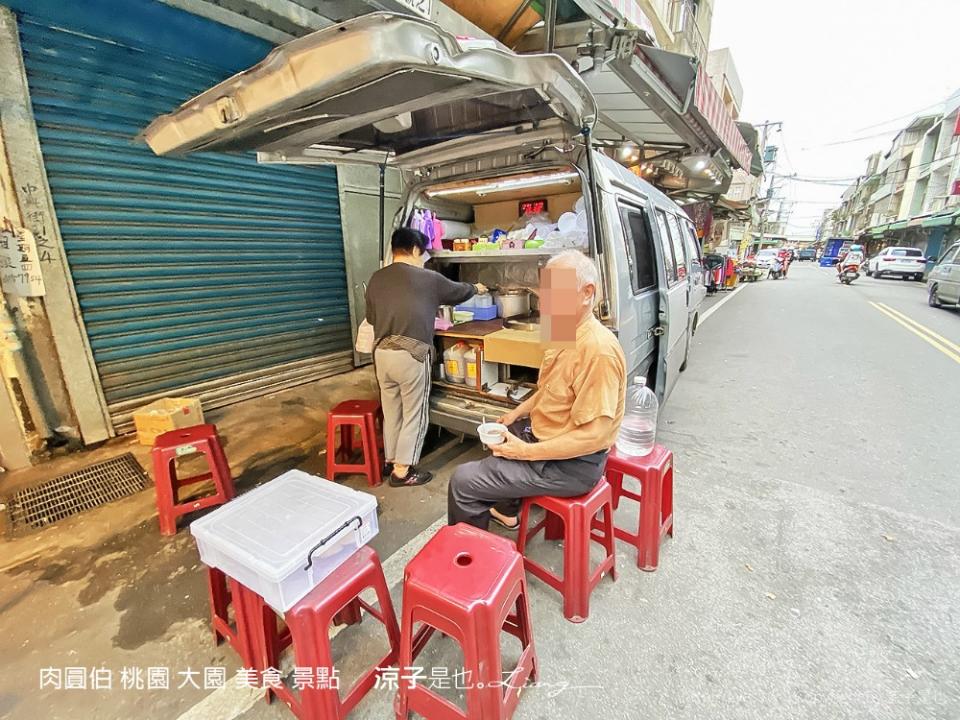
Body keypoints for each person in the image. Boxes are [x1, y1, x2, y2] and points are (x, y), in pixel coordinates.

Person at [447, 250, 627, 530]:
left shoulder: (598, 350)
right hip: (547, 436)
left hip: (572, 465)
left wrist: (525, 453)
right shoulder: (563, 328)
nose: (543, 305)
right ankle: (507, 512)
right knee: (500, 440)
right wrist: (515, 414)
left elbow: (595, 436)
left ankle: (473, 564)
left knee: (463, 481)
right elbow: (551, 388)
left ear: (586, 293)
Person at [366, 228, 487, 487]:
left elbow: (372, 319)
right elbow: (458, 291)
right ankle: (402, 471)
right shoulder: (427, 278)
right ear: (414, 250)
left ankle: (391, 460)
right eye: (423, 254)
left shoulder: (376, 278)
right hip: (410, 354)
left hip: (382, 355)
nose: (424, 259)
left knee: (392, 410)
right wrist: (476, 287)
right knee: (414, 413)